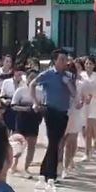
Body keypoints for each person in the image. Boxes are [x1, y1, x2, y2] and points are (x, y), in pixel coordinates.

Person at [30, 49, 75, 182]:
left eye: (65, 59)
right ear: (55, 61)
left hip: (63, 112)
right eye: (61, 59)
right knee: (54, 141)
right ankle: (51, 174)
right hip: (50, 110)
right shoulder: (48, 74)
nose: (64, 62)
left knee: (56, 142)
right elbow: (32, 84)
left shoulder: (68, 76)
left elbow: (74, 93)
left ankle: (44, 171)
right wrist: (35, 102)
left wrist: (67, 82)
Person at [11, 70, 41, 177]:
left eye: (35, 77)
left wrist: (39, 109)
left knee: (32, 144)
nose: (33, 79)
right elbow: (13, 105)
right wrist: (25, 109)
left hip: (34, 119)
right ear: (27, 78)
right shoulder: (21, 90)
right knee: (19, 144)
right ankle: (14, 165)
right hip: (22, 119)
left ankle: (26, 167)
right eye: (31, 77)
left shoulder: (40, 91)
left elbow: (43, 105)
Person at [63, 60, 86, 176]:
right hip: (64, 113)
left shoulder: (80, 84)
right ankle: (62, 166)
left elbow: (84, 97)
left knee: (72, 142)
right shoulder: (62, 83)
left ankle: (68, 164)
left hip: (76, 114)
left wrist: (81, 102)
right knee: (63, 142)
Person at [81, 57, 96, 160]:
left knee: (88, 129)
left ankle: (87, 152)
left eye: (90, 63)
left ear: (94, 65)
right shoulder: (81, 75)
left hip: (93, 104)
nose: (88, 65)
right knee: (83, 130)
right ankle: (90, 145)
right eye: (86, 63)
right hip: (83, 104)